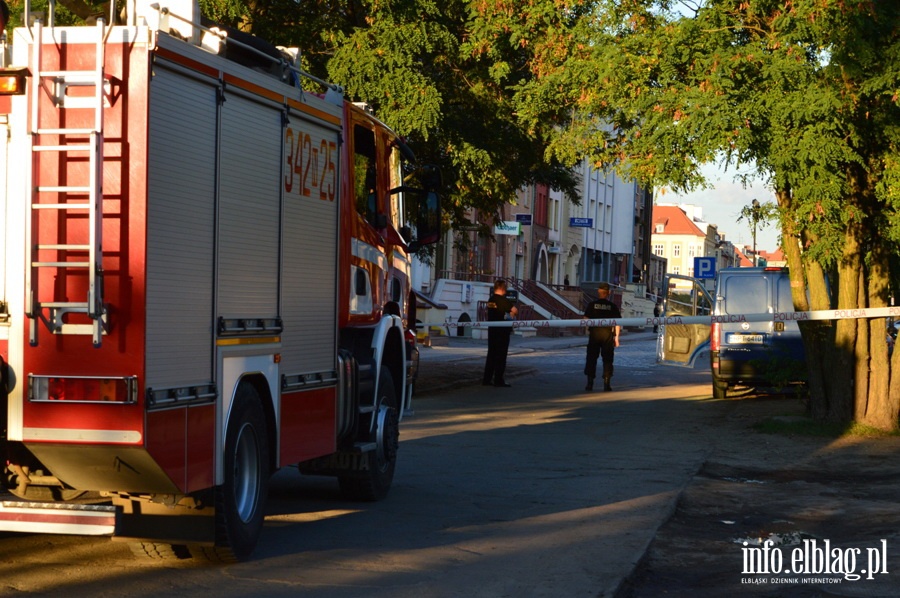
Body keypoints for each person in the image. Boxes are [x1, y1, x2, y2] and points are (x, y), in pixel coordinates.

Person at [583, 282, 621, 392]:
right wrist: (617, 338)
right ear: (608, 293)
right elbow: (617, 323)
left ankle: (589, 384)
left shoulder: (592, 305)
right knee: (608, 359)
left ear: (598, 292)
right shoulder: (612, 307)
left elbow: (585, 319)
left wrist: (588, 329)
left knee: (591, 358)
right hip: (607, 335)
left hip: (594, 334)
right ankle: (606, 384)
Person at [483, 279, 518, 387]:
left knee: (491, 355)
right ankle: (498, 380)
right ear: (503, 289)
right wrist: (510, 315)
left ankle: (487, 380)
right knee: (501, 356)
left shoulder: (491, 299)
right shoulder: (504, 301)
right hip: (502, 332)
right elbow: (515, 310)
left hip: (492, 331)